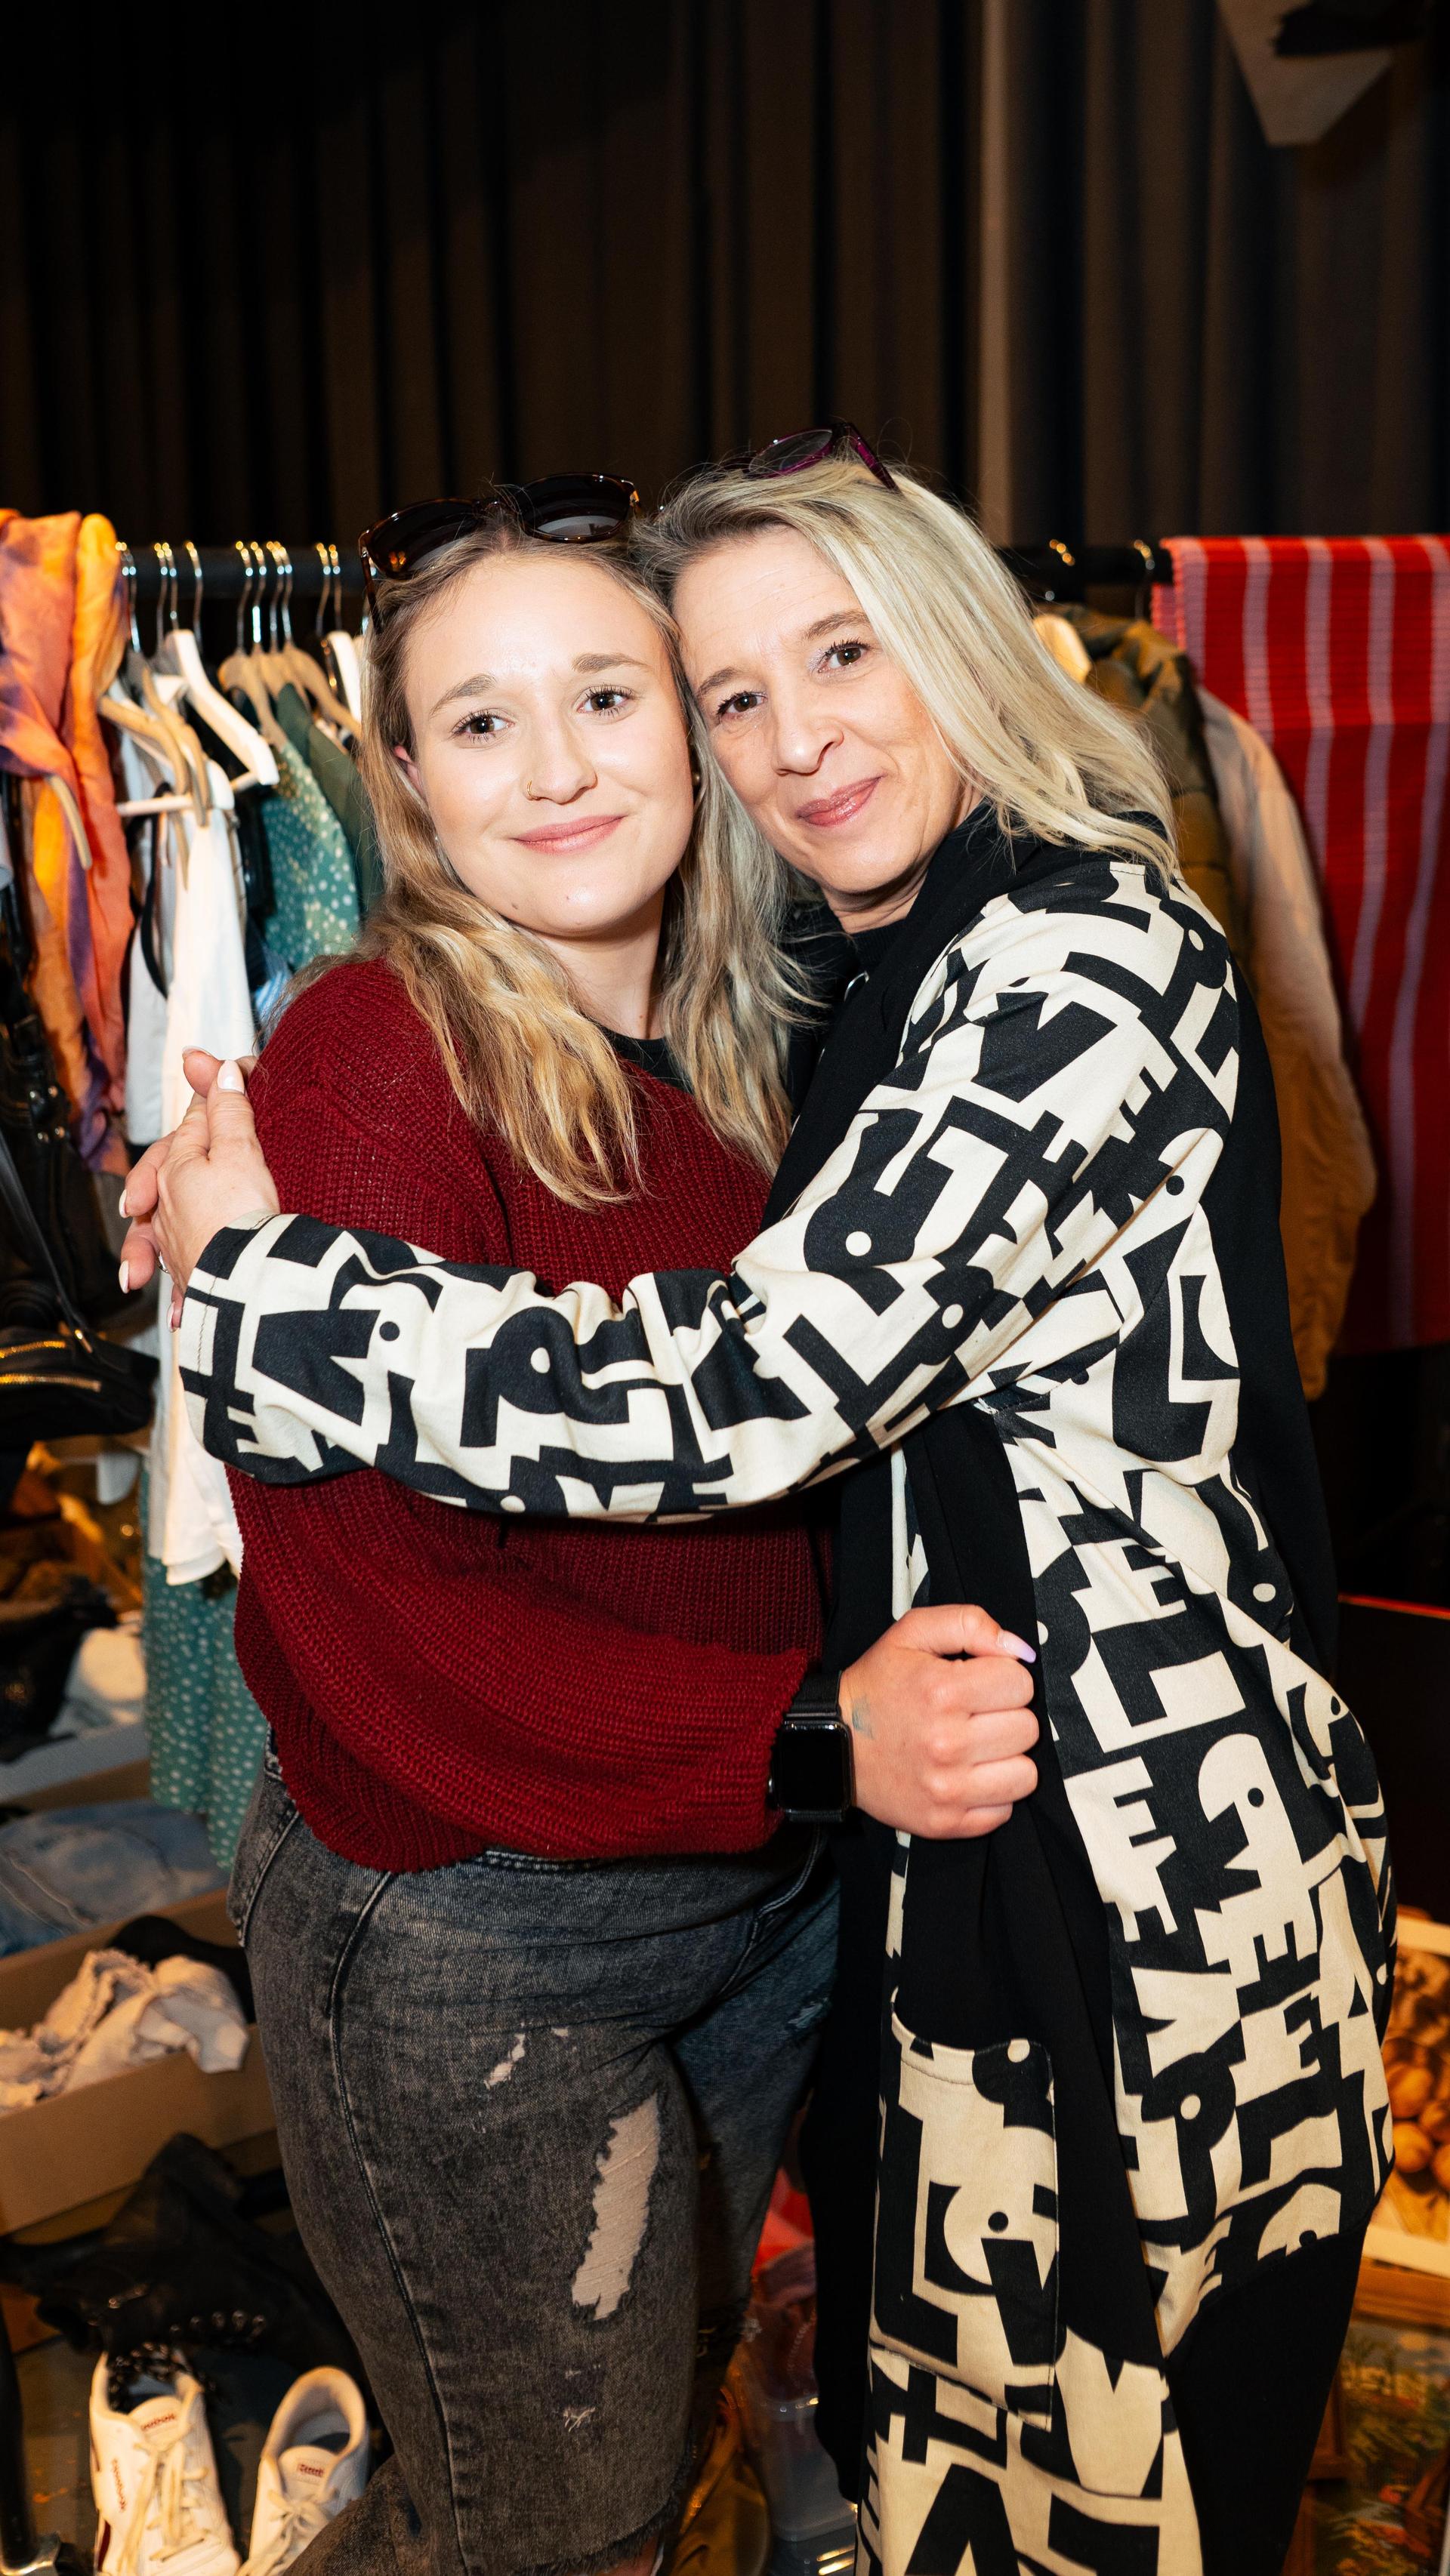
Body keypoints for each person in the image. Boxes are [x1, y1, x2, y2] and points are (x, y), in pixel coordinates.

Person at [127, 436, 1394, 2576]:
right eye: (730, 690)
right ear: (404, 782)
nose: (791, 734)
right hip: (825, 1867)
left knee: (1092, 2493)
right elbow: (390, 1602)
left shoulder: (1047, 957)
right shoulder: (818, 988)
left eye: (843, 650)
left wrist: (271, 1295)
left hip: (1129, 1878)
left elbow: (759, 1382)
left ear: (961, 640)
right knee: (780, 2490)